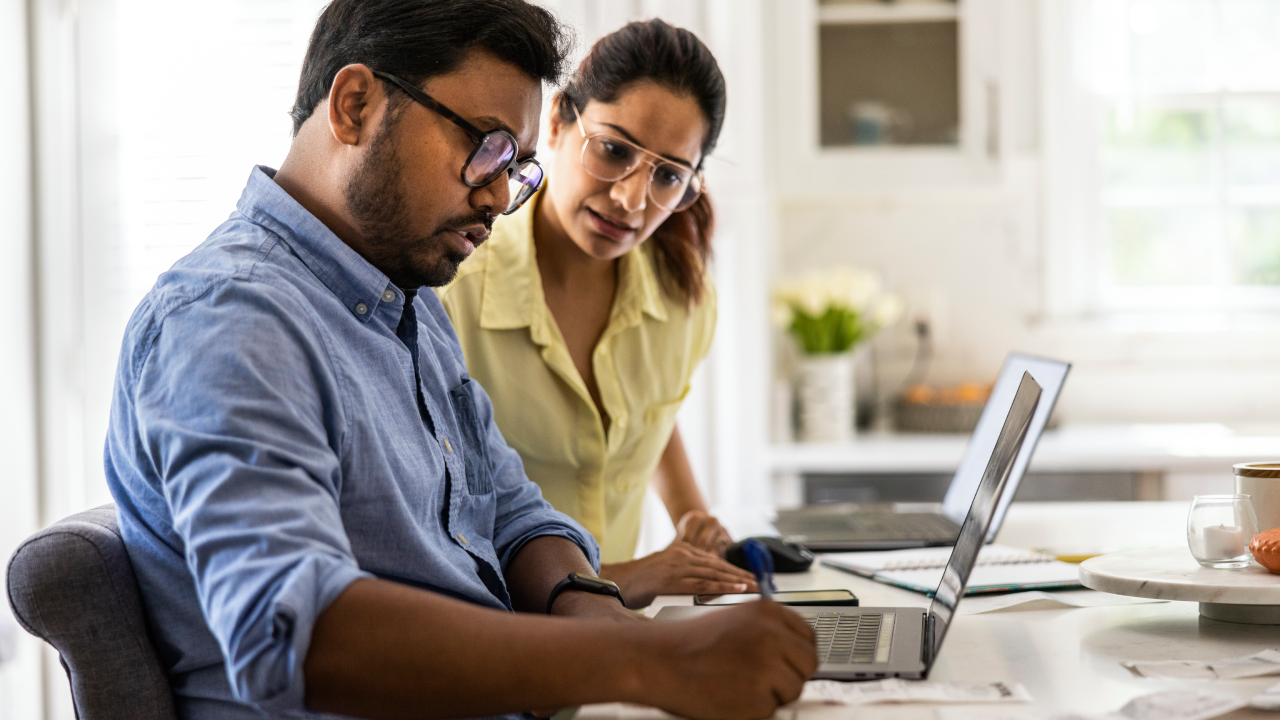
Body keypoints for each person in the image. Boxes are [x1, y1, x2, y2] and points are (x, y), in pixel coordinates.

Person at [103, 1, 816, 719]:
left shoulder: (405, 303)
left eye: (518, 165)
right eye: (487, 146)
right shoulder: (234, 318)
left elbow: (511, 512)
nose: (501, 194)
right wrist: (646, 660)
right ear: (355, 106)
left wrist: (599, 613)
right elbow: (294, 633)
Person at [438, 20, 752, 609]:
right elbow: (437, 539)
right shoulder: (452, 296)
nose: (633, 200)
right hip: (499, 642)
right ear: (557, 122)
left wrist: (695, 519)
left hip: (614, 645)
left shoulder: (683, 299)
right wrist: (630, 578)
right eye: (614, 150)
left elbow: (646, 421)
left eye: (667, 175)